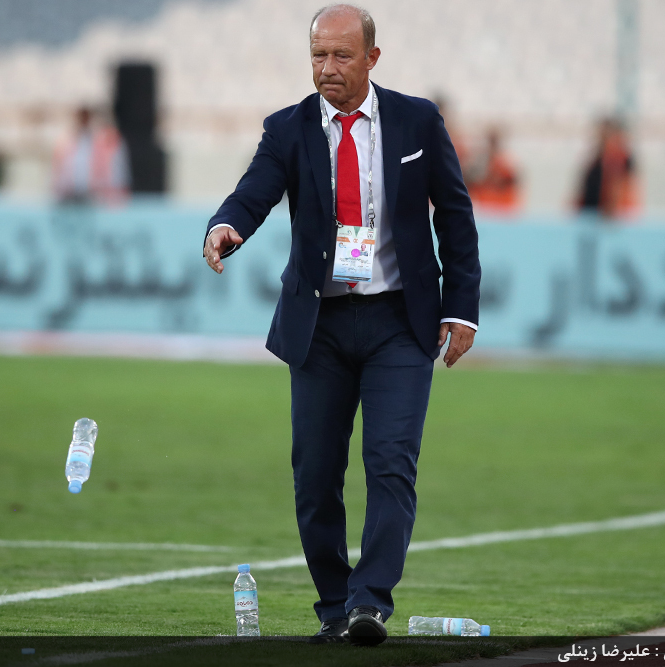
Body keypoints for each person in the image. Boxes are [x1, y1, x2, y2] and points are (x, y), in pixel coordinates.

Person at [203, 4, 480, 646]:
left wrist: (460, 307)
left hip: (399, 320)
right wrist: (226, 225)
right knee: (315, 474)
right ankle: (335, 606)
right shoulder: (287, 128)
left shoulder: (418, 120)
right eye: (318, 55)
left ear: (372, 59)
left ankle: (369, 603)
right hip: (320, 325)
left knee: (390, 463)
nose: (327, 68)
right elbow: (254, 191)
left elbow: (455, 216)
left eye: (341, 55)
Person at [52, 106, 129, 205]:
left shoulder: (102, 141)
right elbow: (61, 170)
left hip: (95, 196)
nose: (84, 121)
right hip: (71, 194)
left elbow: (112, 172)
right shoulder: (68, 141)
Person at [576, 117, 639, 220]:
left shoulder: (618, 157)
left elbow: (618, 187)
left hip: (610, 218)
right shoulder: (597, 158)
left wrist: (612, 212)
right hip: (592, 215)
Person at [466, 127, 521, 215]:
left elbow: (511, 180)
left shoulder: (505, 161)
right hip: (486, 205)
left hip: (500, 205)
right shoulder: (481, 160)